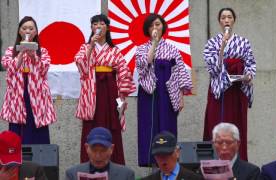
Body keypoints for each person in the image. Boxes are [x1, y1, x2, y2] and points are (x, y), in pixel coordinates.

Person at [74, 14, 136, 164]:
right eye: (95, 24)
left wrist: (121, 95)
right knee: (91, 126)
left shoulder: (114, 50)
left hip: (110, 90)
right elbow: (81, 66)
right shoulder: (85, 47)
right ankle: (88, 164)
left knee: (111, 125)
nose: (98, 27)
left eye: (102, 24)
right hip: (92, 92)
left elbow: (124, 71)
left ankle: (115, 163)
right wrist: (91, 47)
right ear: (91, 28)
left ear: (107, 28)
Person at [135, 13, 193, 167]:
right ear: (147, 29)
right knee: (148, 126)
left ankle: (169, 162)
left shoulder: (172, 49)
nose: (155, 27)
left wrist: (181, 96)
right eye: (152, 25)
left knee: (167, 126)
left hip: (168, 93)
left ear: (163, 27)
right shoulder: (141, 48)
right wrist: (153, 44)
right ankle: (150, 163)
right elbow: (143, 65)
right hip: (149, 93)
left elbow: (180, 72)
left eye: (158, 24)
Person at [202, 7, 256, 161]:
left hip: (237, 89)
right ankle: (215, 161)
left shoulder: (244, 42)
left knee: (237, 125)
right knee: (215, 122)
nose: (226, 20)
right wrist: (222, 48)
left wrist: (248, 76)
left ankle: (239, 163)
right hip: (219, 90)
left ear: (234, 20)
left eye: (229, 17)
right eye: (223, 17)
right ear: (219, 21)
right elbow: (212, 67)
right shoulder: (212, 42)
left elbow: (250, 63)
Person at [0, 16, 56, 144]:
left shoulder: (43, 51)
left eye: (31, 28)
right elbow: (9, 68)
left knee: (36, 129)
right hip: (17, 95)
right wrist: (20, 53)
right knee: (17, 131)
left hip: (37, 96)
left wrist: (33, 56)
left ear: (36, 32)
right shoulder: (10, 51)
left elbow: (43, 70)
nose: (27, 31)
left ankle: (40, 162)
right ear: (19, 31)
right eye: (24, 28)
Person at [65, 127, 135, 180]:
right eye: (94, 150)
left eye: (103, 150)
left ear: (111, 149)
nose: (98, 156)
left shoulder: (126, 175)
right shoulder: (72, 174)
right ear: (86, 148)